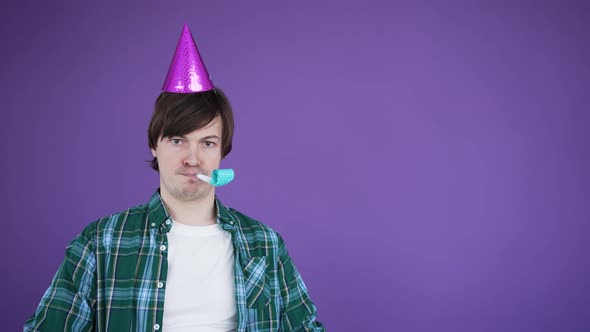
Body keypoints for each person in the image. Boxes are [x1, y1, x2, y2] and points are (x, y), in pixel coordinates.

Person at [24, 24, 325, 332]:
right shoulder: (101, 242)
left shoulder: (265, 244)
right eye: (178, 140)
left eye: (207, 143)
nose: (192, 159)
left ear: (223, 152)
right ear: (154, 144)